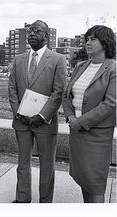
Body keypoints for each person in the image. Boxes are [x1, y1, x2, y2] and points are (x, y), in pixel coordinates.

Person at [8, 20, 67, 203]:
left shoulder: (58, 59)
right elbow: (12, 89)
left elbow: (59, 92)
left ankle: (44, 201)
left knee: (47, 166)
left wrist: (41, 116)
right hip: (22, 122)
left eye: (37, 30)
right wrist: (19, 113)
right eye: (30, 31)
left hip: (45, 122)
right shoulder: (19, 59)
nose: (32, 34)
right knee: (22, 163)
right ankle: (23, 198)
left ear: (47, 35)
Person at [62, 25, 116, 203]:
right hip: (77, 132)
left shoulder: (113, 69)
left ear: (105, 43)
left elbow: (110, 104)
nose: (88, 42)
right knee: (85, 181)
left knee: (95, 183)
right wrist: (71, 117)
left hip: (97, 135)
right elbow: (66, 95)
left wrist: (80, 121)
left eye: (93, 39)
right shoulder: (80, 66)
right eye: (87, 39)